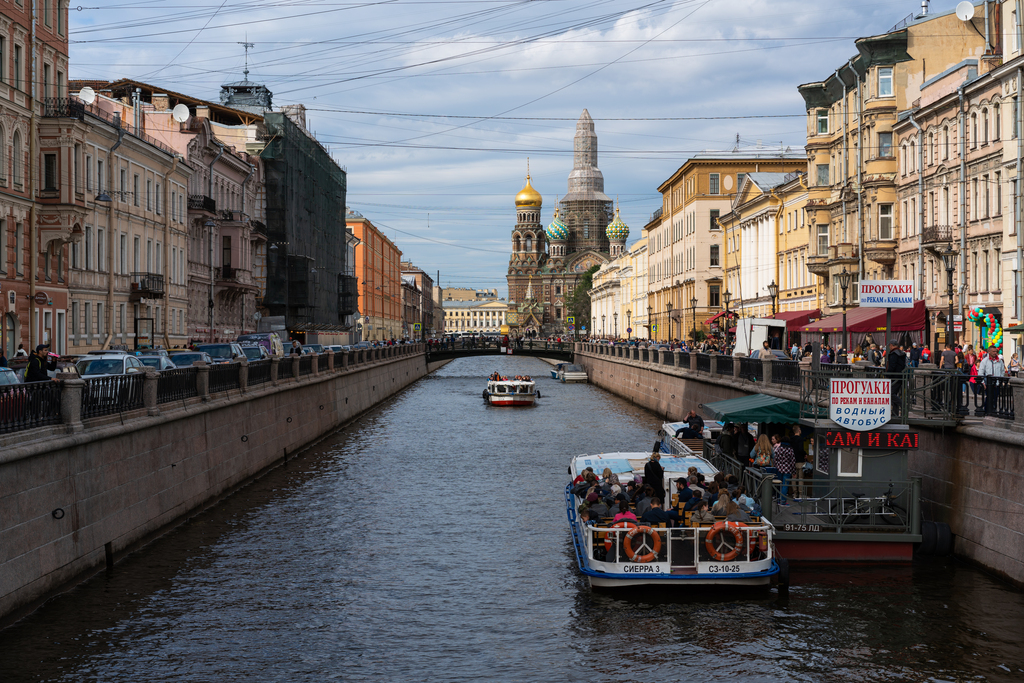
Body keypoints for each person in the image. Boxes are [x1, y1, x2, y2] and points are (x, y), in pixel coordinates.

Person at [977, 346, 1007, 412]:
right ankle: (986, 410)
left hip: (997, 383)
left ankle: (993, 410)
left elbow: (1002, 371)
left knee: (995, 397)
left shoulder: (999, 361)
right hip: (988, 383)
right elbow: (981, 372)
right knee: (989, 397)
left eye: (996, 351)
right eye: (993, 351)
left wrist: (1000, 380)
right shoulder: (985, 361)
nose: (995, 353)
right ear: (989, 351)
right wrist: (982, 382)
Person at [771, 433, 795, 505]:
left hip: (779, 469)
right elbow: (793, 461)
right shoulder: (790, 450)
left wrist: (776, 466)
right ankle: (783, 501)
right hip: (787, 469)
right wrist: (794, 471)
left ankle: (778, 499)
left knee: (779, 485)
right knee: (785, 485)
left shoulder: (779, 449)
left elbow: (775, 459)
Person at [786, 425, 809, 499]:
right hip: (800, 460)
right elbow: (800, 449)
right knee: (800, 478)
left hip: (792, 461)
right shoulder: (800, 439)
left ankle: (795, 494)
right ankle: (800, 494)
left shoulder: (790, 440)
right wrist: (805, 454)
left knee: (794, 478)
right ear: (799, 430)